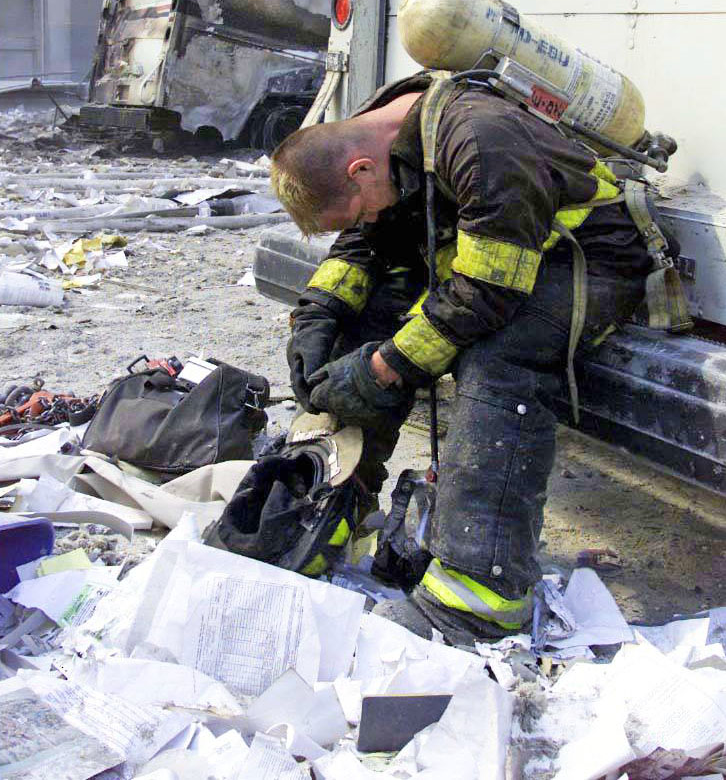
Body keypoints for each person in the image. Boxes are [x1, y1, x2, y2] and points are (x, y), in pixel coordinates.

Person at [270, 73, 652, 643]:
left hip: (583, 257)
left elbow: (488, 295)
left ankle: (480, 595)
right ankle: (333, 502)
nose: (363, 223)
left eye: (356, 211)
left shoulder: (479, 138)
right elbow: (367, 243)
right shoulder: (376, 138)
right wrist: (321, 310)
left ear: (360, 170)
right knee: (358, 321)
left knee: (498, 358)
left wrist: (385, 366)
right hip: (492, 256)